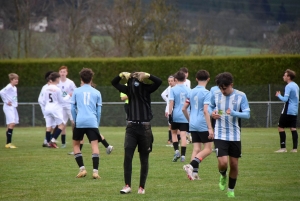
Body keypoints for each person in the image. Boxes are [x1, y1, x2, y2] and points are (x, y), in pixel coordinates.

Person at [111, 71, 162, 194]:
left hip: (145, 128)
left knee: (144, 158)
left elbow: (159, 81)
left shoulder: (146, 89)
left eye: (136, 78)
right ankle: (127, 185)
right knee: (128, 156)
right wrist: (121, 74)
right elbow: (114, 82)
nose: (134, 81)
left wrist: (148, 75)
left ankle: (141, 187)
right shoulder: (128, 90)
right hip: (131, 128)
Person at [210, 72, 250, 198]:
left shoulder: (241, 96)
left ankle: (231, 189)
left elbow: (247, 114)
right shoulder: (216, 95)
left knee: (234, 164)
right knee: (223, 163)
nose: (222, 91)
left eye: (225, 88)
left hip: (235, 135)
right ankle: (222, 175)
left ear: (231, 85)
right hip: (219, 134)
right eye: (220, 88)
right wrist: (213, 113)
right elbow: (210, 107)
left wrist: (234, 113)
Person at [71, 68, 102, 179]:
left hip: (80, 121)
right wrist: (96, 123)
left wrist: (75, 120)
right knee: (94, 145)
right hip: (92, 122)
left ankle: (82, 169)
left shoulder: (76, 91)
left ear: (81, 79)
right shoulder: (97, 92)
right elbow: (99, 111)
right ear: (91, 78)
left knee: (76, 145)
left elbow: (72, 108)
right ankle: (95, 172)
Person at [182, 70, 214, 180]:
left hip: (193, 123)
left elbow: (184, 108)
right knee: (208, 149)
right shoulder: (207, 93)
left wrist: (190, 120)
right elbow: (206, 111)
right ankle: (190, 166)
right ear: (208, 79)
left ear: (196, 79)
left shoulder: (191, 92)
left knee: (196, 148)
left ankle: (194, 174)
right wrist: (210, 128)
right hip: (202, 123)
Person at [169, 71, 191, 162]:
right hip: (185, 115)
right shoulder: (189, 90)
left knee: (173, 133)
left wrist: (170, 114)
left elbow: (171, 102)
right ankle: (183, 156)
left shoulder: (173, 89)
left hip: (176, 115)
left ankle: (176, 151)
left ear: (176, 79)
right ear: (185, 79)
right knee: (183, 135)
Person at [275, 69, 299, 153]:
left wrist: (279, 95)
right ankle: (295, 149)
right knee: (293, 128)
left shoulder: (288, 86)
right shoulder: (296, 85)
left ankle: (283, 148)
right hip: (295, 110)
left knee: (280, 127)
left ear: (288, 77)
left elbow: (285, 99)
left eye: (285, 75)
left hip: (288, 110)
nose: (283, 77)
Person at [41, 72, 66, 148]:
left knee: (49, 127)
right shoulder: (57, 89)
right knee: (61, 125)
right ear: (57, 79)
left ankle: (48, 143)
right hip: (55, 109)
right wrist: (68, 96)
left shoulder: (46, 88)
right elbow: (61, 101)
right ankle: (53, 140)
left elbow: (44, 100)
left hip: (47, 108)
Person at [57, 66, 76, 148]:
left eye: (64, 72)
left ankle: (75, 140)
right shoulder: (57, 82)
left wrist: (70, 94)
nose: (62, 73)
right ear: (59, 73)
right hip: (61, 106)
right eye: (61, 72)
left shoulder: (70, 82)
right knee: (63, 124)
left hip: (69, 105)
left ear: (66, 73)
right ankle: (63, 143)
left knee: (73, 123)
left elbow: (75, 91)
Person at [38, 71, 58, 148]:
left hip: (50, 108)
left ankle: (48, 141)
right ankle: (47, 141)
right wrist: (45, 107)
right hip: (48, 109)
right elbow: (41, 100)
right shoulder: (46, 87)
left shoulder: (52, 87)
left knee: (53, 125)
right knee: (51, 125)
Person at [0, 73, 19, 148]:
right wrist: (6, 101)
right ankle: (8, 143)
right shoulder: (9, 86)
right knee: (12, 123)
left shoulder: (14, 87)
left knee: (9, 124)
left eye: (17, 79)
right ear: (11, 80)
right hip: (8, 107)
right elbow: (1, 92)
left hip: (13, 107)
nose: (17, 80)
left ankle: (8, 143)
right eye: (15, 79)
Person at [161, 75, 177, 145]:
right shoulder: (169, 88)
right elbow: (163, 94)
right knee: (170, 125)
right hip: (169, 109)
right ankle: (170, 139)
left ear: (175, 81)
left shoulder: (177, 88)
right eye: (169, 81)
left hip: (176, 110)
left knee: (176, 125)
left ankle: (176, 139)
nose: (170, 82)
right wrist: (168, 100)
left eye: (171, 81)